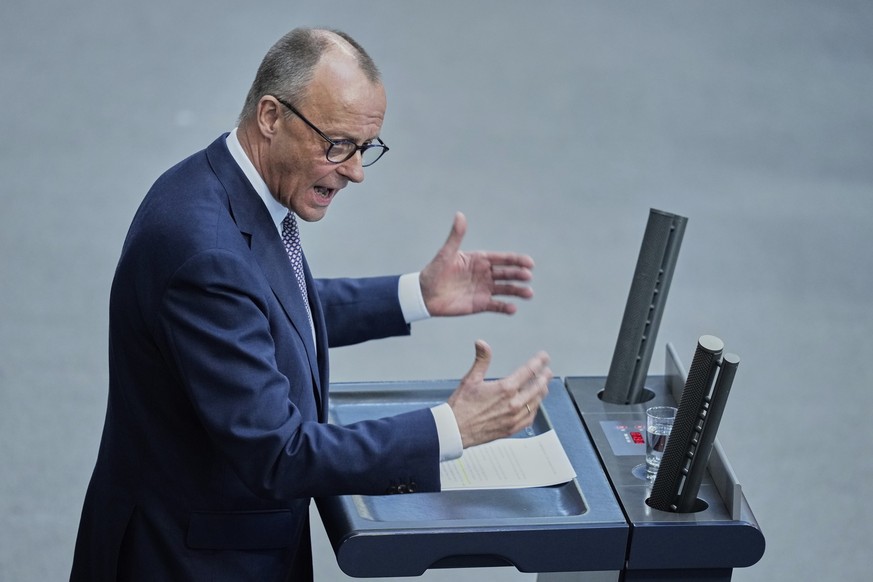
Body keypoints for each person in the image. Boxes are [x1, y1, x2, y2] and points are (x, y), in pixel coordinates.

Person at [71, 27, 552, 581]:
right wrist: (449, 429)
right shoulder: (202, 251)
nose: (355, 171)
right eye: (338, 144)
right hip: (188, 562)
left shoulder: (223, 190)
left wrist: (414, 295)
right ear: (272, 117)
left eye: (365, 147)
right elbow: (278, 453)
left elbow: (268, 307)